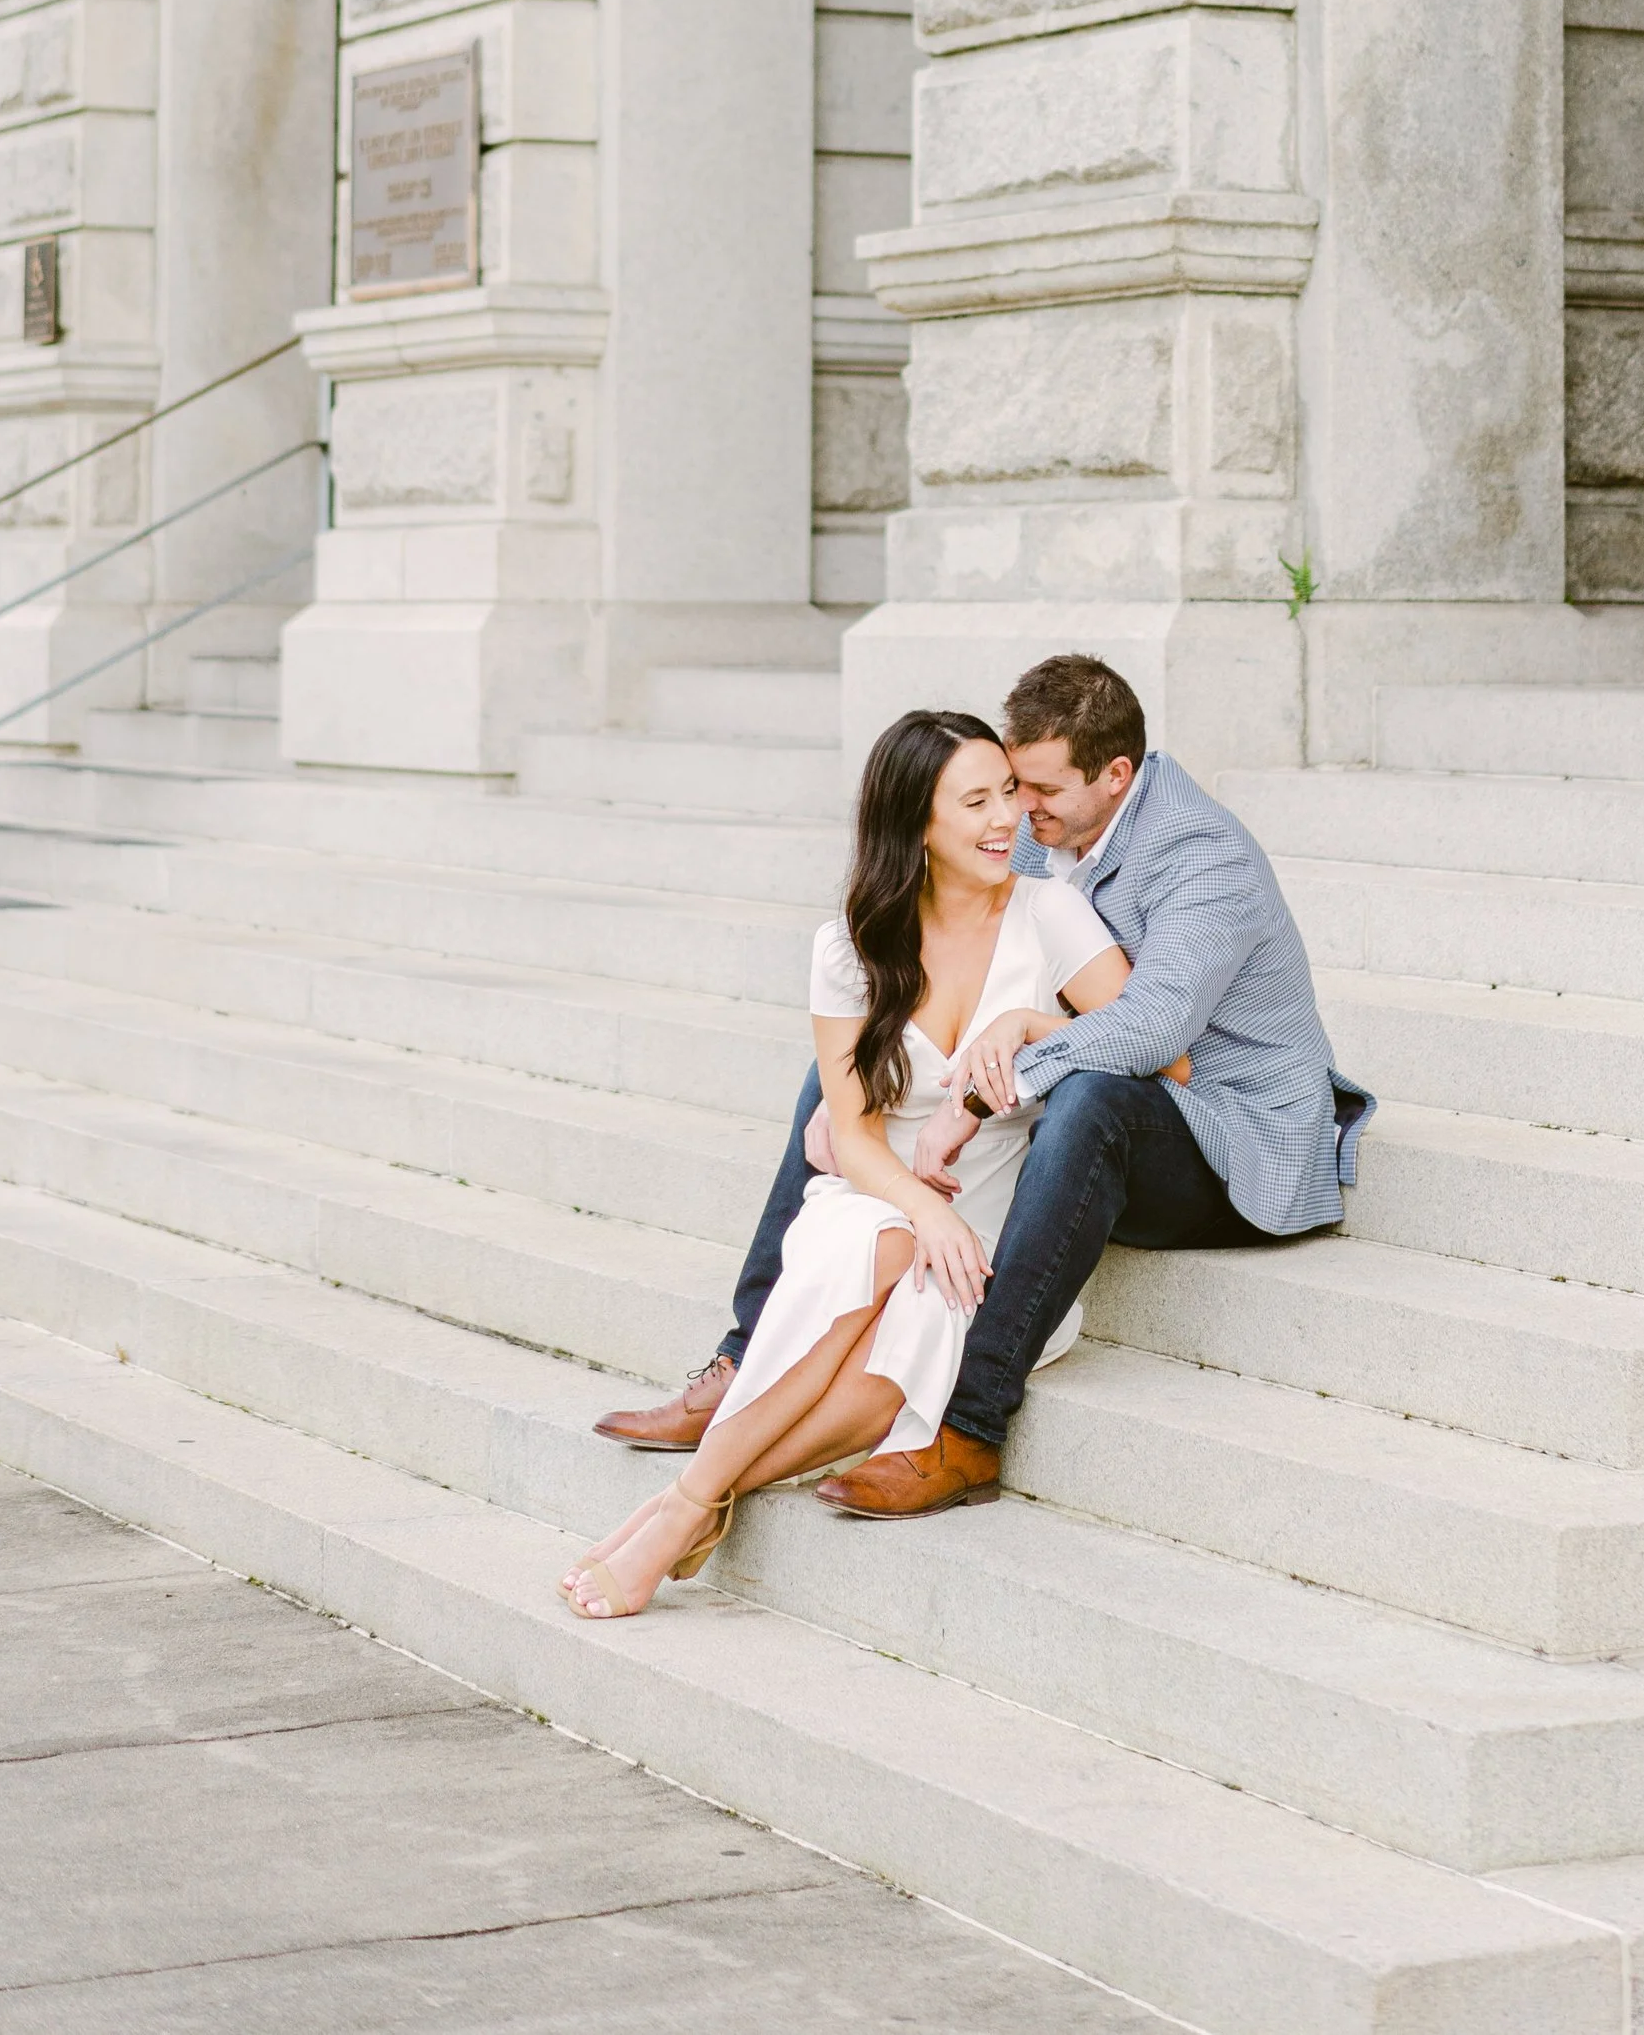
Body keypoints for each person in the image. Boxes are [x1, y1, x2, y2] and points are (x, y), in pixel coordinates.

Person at [592, 652, 1371, 1523]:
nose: (1018, 816)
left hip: (1231, 1136)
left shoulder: (1202, 858)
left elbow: (1152, 1038)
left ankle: (969, 1428)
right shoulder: (1045, 821)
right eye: (1004, 788)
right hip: (1105, 1082)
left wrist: (989, 1077)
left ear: (1115, 777)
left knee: (1092, 1097)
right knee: (857, 1059)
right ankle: (745, 1358)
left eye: (1036, 792)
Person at [560, 707, 1139, 1617]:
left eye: (1010, 796)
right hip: (880, 1197)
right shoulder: (850, 946)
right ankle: (685, 1511)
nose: (1006, 822)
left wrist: (1037, 1025)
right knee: (881, 1251)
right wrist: (925, 1211)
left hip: (988, 1221)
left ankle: (690, 1505)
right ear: (915, 822)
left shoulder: (1049, 913)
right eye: (976, 802)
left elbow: (1156, 1049)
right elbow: (856, 1134)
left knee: (888, 1373)